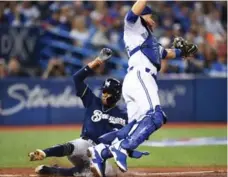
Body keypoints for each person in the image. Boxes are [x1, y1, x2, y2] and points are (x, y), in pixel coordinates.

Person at [87, 1, 198, 176]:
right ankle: (121, 148)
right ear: (142, 16)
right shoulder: (134, 26)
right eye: (149, 15)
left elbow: (167, 53)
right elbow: (133, 12)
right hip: (141, 76)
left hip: (136, 80)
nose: (152, 19)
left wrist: (185, 52)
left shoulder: (149, 41)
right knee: (156, 116)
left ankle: (100, 152)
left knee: (132, 127)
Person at [28, 48, 128, 177]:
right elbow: (77, 78)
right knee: (77, 145)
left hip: (98, 155)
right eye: (103, 91)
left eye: (107, 93)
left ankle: (54, 171)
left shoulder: (122, 115)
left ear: (115, 95)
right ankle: (44, 153)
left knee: (105, 173)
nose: (103, 95)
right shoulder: (92, 101)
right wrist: (97, 62)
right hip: (84, 145)